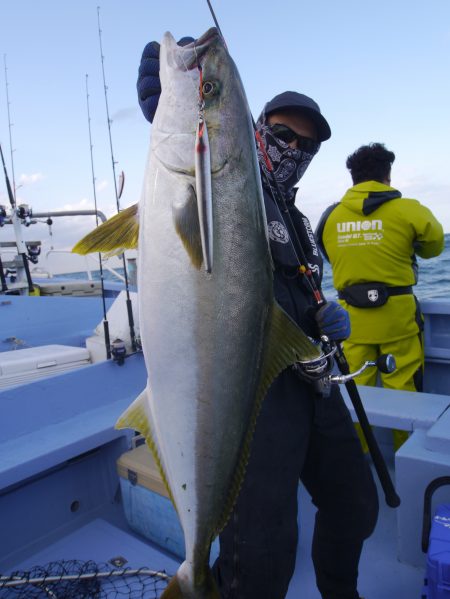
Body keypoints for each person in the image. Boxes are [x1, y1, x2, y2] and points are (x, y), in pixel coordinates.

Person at [137, 37, 378, 599]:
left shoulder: (295, 215)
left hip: (312, 383)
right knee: (262, 557)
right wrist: (168, 112)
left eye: (308, 144)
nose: (295, 147)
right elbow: (199, 197)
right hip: (254, 397)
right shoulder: (237, 190)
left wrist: (325, 316)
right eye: (284, 134)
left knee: (355, 505)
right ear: (257, 127)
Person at [316, 143, 444, 451]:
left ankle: (356, 463)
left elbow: (326, 254)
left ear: (353, 177)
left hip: (351, 321)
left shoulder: (330, 217)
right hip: (398, 319)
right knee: (403, 389)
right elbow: (435, 248)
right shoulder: (410, 210)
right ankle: (405, 457)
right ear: (388, 175)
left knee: (357, 389)